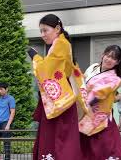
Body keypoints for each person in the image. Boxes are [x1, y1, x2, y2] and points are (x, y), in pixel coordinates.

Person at [28, 14, 84, 160]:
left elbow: (46, 71)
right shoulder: (61, 44)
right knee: (62, 140)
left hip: (59, 102)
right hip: (60, 99)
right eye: (41, 31)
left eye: (45, 30)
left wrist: (35, 57)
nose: (42, 35)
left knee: (57, 139)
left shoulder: (61, 44)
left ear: (57, 28)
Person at [79, 45, 121, 160]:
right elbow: (82, 81)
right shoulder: (93, 67)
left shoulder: (116, 78)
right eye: (107, 55)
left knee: (105, 150)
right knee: (85, 150)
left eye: (113, 58)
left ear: (117, 62)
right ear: (103, 55)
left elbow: (101, 92)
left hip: (101, 117)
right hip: (84, 114)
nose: (109, 59)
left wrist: (89, 102)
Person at [0, 82, 16, 160]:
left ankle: (7, 159)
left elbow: (12, 112)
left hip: (5, 123)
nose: (0, 91)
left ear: (6, 89)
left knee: (6, 143)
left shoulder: (10, 98)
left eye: (1, 89)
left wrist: (8, 125)